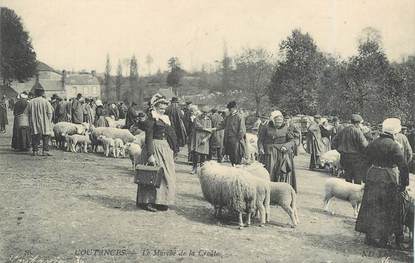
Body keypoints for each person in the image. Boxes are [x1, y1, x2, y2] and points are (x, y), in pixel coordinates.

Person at [356, 118, 409, 249]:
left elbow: (364, 160)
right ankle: (383, 238)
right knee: (388, 208)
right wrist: (404, 183)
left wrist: (364, 177)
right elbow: (403, 166)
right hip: (388, 177)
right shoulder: (394, 145)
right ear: (395, 131)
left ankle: (370, 236)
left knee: (371, 206)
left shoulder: (374, 143)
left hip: (373, 175)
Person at [137, 93, 177, 212]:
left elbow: (170, 134)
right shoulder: (151, 118)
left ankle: (161, 201)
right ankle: (148, 201)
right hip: (154, 147)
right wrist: (150, 155)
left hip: (165, 148)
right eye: (161, 108)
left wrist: (174, 148)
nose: (163, 111)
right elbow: (149, 137)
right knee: (152, 175)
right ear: (154, 107)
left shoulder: (165, 119)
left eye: (164, 108)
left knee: (166, 176)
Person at [258, 111, 297, 192]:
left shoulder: (286, 128)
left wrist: (286, 146)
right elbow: (260, 140)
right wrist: (261, 148)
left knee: (281, 173)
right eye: (277, 120)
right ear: (273, 120)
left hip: (282, 154)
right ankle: (268, 191)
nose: (278, 122)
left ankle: (280, 191)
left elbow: (292, 141)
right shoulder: (266, 127)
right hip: (268, 154)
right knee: (269, 172)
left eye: (280, 120)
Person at [332, 114, 368, 184]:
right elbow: (365, 145)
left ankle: (347, 193)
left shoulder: (343, 130)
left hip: (344, 157)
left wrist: (340, 150)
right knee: (357, 178)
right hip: (356, 158)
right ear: (357, 123)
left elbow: (334, 142)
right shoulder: (358, 132)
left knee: (348, 178)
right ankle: (355, 194)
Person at [26, 83, 54, 156]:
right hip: (45, 121)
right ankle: (45, 151)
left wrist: (30, 119)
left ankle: (35, 151)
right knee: (46, 135)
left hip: (34, 121)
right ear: (42, 94)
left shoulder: (31, 102)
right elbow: (50, 113)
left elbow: (26, 113)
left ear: (35, 94)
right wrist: (49, 120)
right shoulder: (46, 102)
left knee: (34, 135)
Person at [216, 101, 246, 166]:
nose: (229, 110)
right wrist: (214, 129)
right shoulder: (228, 117)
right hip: (228, 140)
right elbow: (222, 125)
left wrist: (237, 140)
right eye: (229, 108)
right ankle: (233, 168)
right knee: (231, 157)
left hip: (236, 141)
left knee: (237, 157)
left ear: (235, 108)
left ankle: (238, 171)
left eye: (231, 108)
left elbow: (242, 130)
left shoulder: (239, 117)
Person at [190, 105, 213, 174]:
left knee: (203, 156)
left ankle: (202, 170)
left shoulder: (209, 120)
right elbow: (197, 125)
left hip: (204, 139)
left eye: (206, 112)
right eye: (203, 112)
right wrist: (205, 128)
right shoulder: (197, 118)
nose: (204, 114)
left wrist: (206, 139)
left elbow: (210, 131)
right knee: (195, 154)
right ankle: (194, 168)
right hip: (197, 139)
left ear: (208, 113)